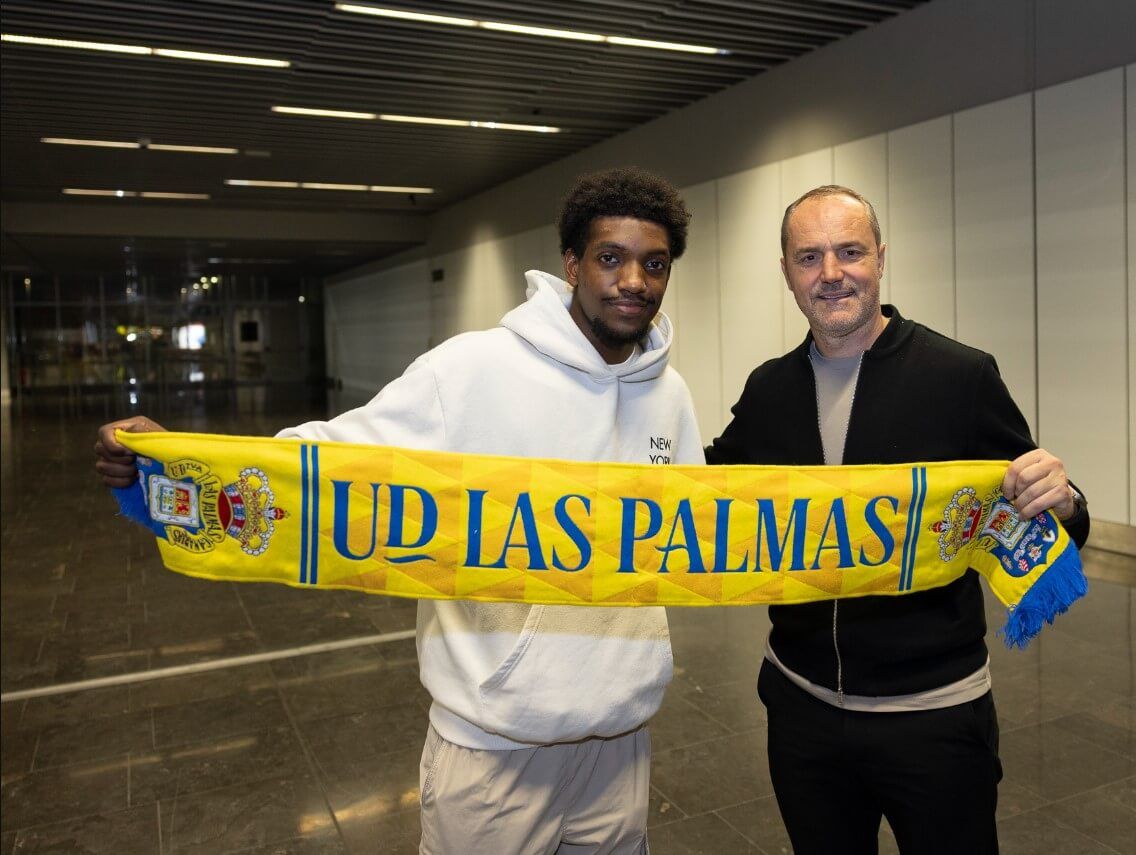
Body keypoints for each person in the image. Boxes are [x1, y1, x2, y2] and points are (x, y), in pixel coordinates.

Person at [94, 167, 703, 855]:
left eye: (653, 264)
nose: (633, 282)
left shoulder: (669, 393)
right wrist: (177, 463)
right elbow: (331, 460)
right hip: (495, 745)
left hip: (620, 740)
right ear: (571, 264)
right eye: (610, 258)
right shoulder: (474, 368)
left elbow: (688, 532)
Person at [705, 185, 1091, 854]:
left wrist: (1063, 498)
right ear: (786, 272)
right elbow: (695, 496)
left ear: (880, 258)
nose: (830, 274)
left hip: (933, 716)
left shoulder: (958, 376)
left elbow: (1043, 510)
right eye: (808, 257)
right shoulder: (769, 390)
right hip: (801, 711)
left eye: (849, 251)